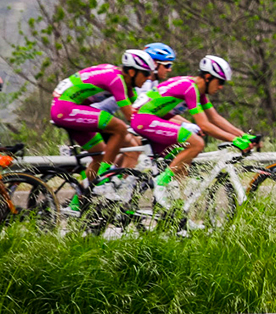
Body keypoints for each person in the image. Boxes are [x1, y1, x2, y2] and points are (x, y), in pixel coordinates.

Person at [135, 55, 255, 207]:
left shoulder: (198, 90)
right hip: (143, 118)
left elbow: (215, 118)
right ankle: (161, 183)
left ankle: (178, 211)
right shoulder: (190, 88)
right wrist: (234, 140)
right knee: (196, 143)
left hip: (152, 119)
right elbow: (204, 125)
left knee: (184, 161)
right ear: (208, 77)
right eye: (220, 82)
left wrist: (243, 136)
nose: (221, 87)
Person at [49, 50, 156, 186]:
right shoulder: (117, 80)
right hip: (65, 108)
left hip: (67, 109)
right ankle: (103, 178)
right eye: (146, 73)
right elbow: (131, 117)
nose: (149, 78)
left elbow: (140, 110)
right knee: (120, 128)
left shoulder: (127, 84)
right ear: (131, 72)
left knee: (99, 154)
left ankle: (83, 196)